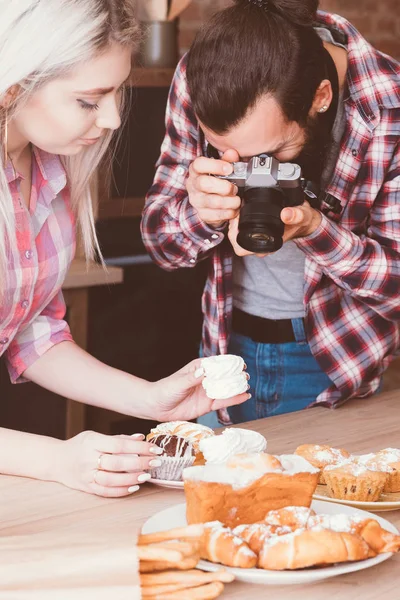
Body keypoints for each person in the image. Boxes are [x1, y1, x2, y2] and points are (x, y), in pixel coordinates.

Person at [0, 0, 250, 497]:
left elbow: (32, 333)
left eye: (117, 93)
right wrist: (55, 460)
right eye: (90, 100)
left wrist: (152, 401)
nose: (113, 119)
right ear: (14, 86)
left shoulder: (49, 172)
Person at [141, 0, 400, 427]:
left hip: (337, 364)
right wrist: (200, 213)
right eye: (236, 159)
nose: (257, 172)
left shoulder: (388, 103)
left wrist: (315, 229)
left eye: (273, 156)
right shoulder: (203, 75)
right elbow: (160, 245)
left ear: (321, 96)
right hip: (223, 346)